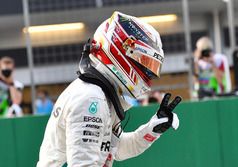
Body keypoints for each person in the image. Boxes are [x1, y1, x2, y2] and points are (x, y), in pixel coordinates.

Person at [37, 11, 182, 167]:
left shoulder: (98, 93)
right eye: (144, 65)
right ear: (120, 52)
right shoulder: (91, 98)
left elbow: (114, 149)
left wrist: (151, 131)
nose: (148, 77)